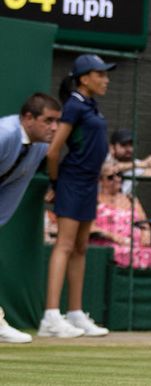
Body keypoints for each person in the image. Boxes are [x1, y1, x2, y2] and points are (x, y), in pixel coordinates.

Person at [42, 54, 115, 339]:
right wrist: (55, 182)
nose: (106, 79)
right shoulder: (73, 106)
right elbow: (53, 151)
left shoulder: (90, 106)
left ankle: (74, 312)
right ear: (84, 79)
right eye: (101, 74)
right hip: (71, 182)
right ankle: (50, 316)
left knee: (81, 247)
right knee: (64, 244)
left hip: (88, 184)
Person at [0, 93, 61, 344]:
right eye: (48, 121)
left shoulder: (38, 147)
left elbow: (16, 186)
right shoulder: (4, 135)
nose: (55, 127)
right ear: (28, 118)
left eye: (57, 121)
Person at [91, 162, 151, 269]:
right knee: (121, 252)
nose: (117, 179)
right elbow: (89, 227)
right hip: (107, 244)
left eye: (119, 175)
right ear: (100, 180)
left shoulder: (131, 199)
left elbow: (143, 221)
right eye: (110, 177)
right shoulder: (94, 200)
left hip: (134, 244)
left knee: (149, 252)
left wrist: (146, 232)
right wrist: (114, 237)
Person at [107, 129, 151, 196]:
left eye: (132, 145)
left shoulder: (138, 165)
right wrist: (143, 164)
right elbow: (111, 168)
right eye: (123, 145)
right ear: (111, 147)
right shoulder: (105, 157)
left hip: (119, 203)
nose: (129, 149)